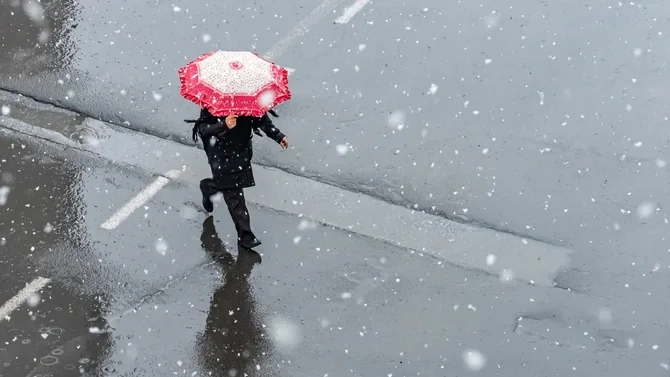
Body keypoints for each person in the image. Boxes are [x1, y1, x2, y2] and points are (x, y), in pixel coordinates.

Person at [186, 107, 288, 249]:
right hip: (220, 154)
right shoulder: (213, 103)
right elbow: (204, 130)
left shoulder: (248, 100)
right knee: (234, 194)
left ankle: (209, 187)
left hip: (241, 152)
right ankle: (245, 236)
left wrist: (278, 136)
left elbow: (261, 118)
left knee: (230, 187)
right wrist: (223, 125)